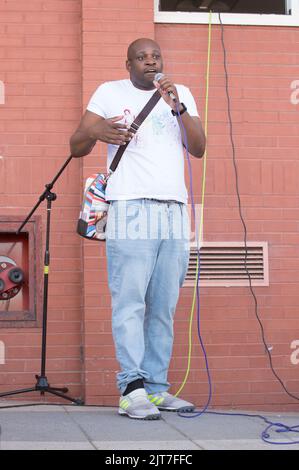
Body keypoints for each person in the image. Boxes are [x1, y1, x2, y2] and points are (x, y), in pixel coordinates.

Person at [70, 38, 206, 420]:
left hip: (175, 210)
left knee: (163, 305)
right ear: (128, 63)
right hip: (130, 206)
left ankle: (157, 388)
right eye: (143, 57)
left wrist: (178, 108)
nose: (151, 62)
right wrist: (97, 132)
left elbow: (198, 148)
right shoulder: (109, 93)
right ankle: (132, 388)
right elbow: (76, 144)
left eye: (156, 56)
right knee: (130, 300)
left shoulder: (180, 96)